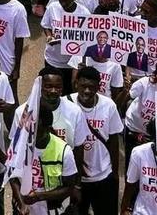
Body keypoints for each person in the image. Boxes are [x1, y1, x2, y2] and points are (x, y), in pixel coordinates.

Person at [67, 67, 123, 215]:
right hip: (77, 179)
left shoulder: (109, 105)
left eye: (91, 87)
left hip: (103, 175)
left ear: (98, 87)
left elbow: (113, 140)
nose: (86, 91)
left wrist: (115, 174)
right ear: (76, 83)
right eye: (83, 86)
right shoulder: (66, 104)